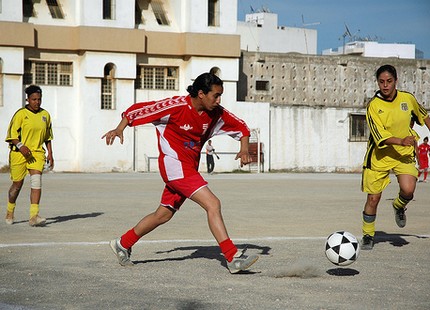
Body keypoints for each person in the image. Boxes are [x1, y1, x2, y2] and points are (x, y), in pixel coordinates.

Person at [102, 72, 259, 273]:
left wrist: (244, 149)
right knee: (213, 204)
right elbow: (137, 110)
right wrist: (119, 129)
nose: (219, 100)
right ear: (201, 93)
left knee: (163, 215)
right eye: (216, 95)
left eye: (220, 96)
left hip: (188, 168)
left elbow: (242, 127)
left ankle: (122, 243)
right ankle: (232, 257)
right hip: (174, 166)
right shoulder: (175, 107)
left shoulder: (216, 113)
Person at [360, 64, 430, 250]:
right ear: (378, 83)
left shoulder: (407, 99)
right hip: (379, 156)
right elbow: (379, 136)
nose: (385, 85)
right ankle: (368, 235)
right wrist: (401, 140)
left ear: (396, 81)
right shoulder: (373, 106)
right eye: (381, 82)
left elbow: (424, 116)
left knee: (408, 190)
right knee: (373, 199)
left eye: (389, 81)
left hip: (403, 155)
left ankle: (399, 206)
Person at [5, 85, 54, 226]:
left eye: (39, 99)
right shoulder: (20, 114)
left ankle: (34, 216)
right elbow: (11, 135)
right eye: (34, 99)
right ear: (27, 99)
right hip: (18, 154)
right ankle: (10, 210)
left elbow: (48, 137)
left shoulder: (45, 115)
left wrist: (50, 153)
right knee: (17, 185)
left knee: (36, 181)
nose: (37, 102)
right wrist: (21, 146)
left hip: (37, 153)